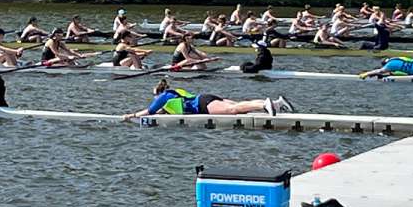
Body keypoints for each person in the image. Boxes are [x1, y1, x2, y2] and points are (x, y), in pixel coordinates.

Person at [121, 78, 293, 120]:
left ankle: (265, 105)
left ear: (158, 93)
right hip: (206, 97)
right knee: (239, 105)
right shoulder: (174, 92)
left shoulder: (163, 97)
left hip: (202, 105)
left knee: (233, 110)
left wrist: (131, 115)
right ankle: (275, 103)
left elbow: (150, 111)